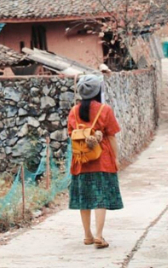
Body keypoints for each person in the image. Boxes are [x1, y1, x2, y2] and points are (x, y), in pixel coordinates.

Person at [67, 74, 123, 249]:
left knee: (85, 197)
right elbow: (112, 136)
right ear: (98, 91)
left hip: (81, 160)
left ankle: (87, 235)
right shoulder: (104, 110)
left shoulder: (74, 111)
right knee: (101, 198)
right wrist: (116, 158)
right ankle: (99, 235)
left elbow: (71, 134)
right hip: (102, 159)